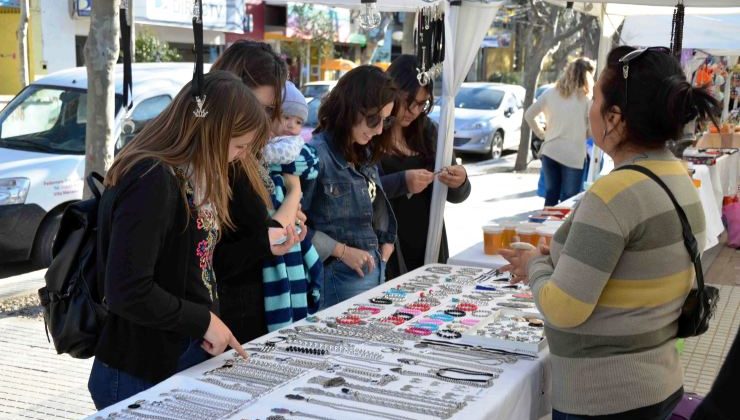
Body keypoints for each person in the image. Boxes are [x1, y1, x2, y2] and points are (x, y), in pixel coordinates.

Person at [501, 46, 721, 419]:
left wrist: (533, 266)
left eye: (596, 99)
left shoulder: (614, 193)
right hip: (657, 385)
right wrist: (558, 256)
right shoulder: (677, 175)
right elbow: (634, 267)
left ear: (614, 118)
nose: (590, 107)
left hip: (603, 399)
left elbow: (562, 308)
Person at [88, 71, 262, 409]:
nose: (241, 157)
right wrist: (204, 321)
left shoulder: (186, 173)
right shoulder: (151, 178)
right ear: (212, 132)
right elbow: (128, 289)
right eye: (238, 145)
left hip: (172, 358)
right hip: (140, 369)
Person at [210, 40, 306, 344]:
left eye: (270, 110)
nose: (269, 123)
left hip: (244, 317)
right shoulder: (217, 159)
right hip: (221, 325)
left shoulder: (243, 156)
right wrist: (292, 199)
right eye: (262, 108)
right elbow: (204, 260)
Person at [302, 65, 398, 308]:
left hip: (373, 272)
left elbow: (373, 209)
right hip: (337, 280)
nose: (378, 129)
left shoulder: (363, 152)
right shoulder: (317, 155)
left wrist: (386, 245)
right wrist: (342, 251)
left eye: (385, 121)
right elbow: (294, 229)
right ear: (351, 108)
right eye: (374, 119)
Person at [378, 55, 471, 279]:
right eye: (407, 100)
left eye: (421, 103)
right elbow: (361, 190)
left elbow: (458, 195)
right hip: (387, 245)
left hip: (430, 241)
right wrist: (402, 182)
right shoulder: (373, 130)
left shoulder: (430, 132)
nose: (412, 110)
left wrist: (460, 181)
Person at [259, 81, 323, 331]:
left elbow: (311, 165)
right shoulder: (256, 149)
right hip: (275, 226)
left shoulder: (297, 149)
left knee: (295, 271)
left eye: (298, 122)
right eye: (286, 117)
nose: (291, 126)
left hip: (286, 225)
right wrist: (294, 190)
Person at [525, 58, 594, 206]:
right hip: (573, 154)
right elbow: (592, 130)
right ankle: (562, 229)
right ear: (587, 77)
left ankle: (545, 228)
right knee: (569, 200)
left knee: (551, 195)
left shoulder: (550, 94)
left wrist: (542, 134)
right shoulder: (586, 99)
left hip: (550, 150)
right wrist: (582, 134)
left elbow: (529, 115)